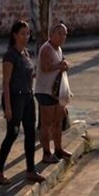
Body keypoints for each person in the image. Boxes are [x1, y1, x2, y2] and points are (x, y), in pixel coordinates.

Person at [0, 20, 44, 185]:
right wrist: (8, 107)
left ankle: (30, 170)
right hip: (15, 99)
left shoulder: (26, 54)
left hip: (28, 98)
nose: (25, 37)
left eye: (27, 33)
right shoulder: (10, 55)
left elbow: (29, 75)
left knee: (30, 134)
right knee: (12, 134)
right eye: (22, 33)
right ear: (15, 35)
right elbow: (6, 82)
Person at [36, 23, 73, 162]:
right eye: (59, 34)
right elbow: (45, 68)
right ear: (51, 35)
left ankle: (58, 149)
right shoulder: (47, 48)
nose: (62, 37)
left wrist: (63, 65)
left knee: (58, 121)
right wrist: (60, 66)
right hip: (45, 91)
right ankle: (46, 153)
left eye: (64, 34)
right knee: (47, 123)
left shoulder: (59, 49)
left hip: (57, 92)